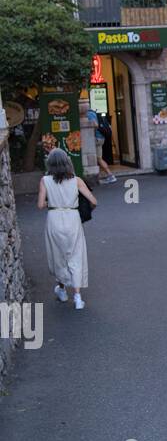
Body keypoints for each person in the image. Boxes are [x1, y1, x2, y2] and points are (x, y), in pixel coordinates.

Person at [37, 149, 97, 311]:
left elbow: (40, 205)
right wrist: (83, 209)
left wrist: (53, 200)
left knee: (59, 256)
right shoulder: (76, 180)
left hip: (54, 219)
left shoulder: (45, 180)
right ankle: (77, 298)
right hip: (73, 219)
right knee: (75, 255)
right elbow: (93, 201)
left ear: (50, 164)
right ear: (67, 163)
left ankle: (62, 291)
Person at [85, 109, 116, 184]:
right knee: (99, 158)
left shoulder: (89, 113)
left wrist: (93, 134)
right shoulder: (93, 113)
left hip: (97, 138)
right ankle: (109, 175)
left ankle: (110, 175)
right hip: (101, 138)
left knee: (96, 158)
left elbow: (95, 125)